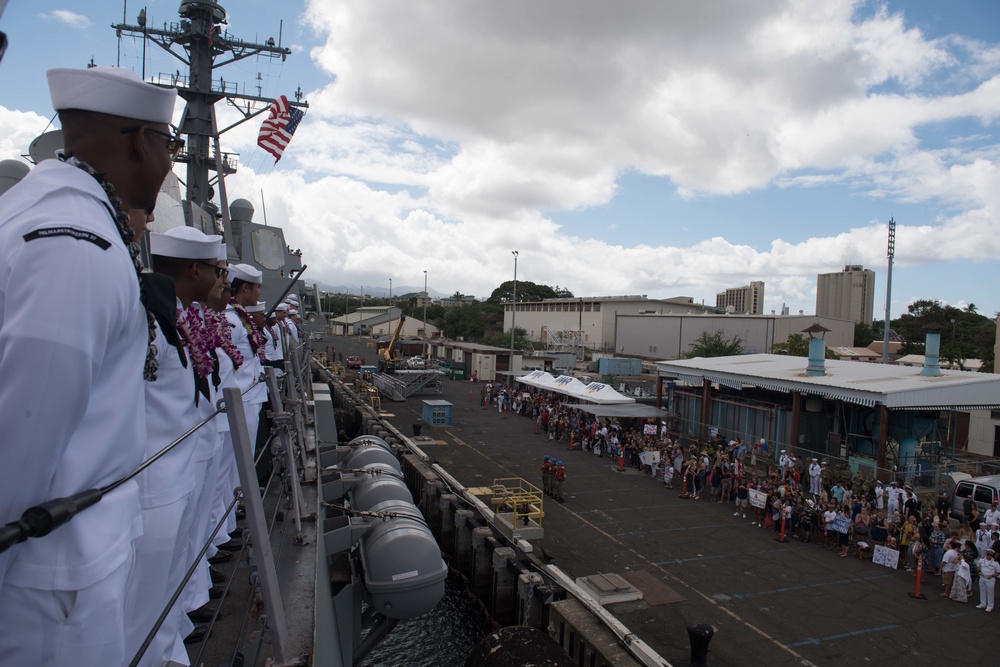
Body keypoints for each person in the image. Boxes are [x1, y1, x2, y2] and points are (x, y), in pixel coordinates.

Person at [0, 66, 177, 666]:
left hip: (65, 558)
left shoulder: (68, 217)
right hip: (51, 575)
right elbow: (21, 435)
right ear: (139, 142)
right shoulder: (73, 243)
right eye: (169, 146)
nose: (170, 166)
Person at [124, 226, 224, 665]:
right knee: (140, 606)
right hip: (153, 479)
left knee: (165, 585)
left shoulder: (177, 316)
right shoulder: (149, 318)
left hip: (180, 468)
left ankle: (172, 649)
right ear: (194, 268)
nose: (221, 280)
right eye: (217, 270)